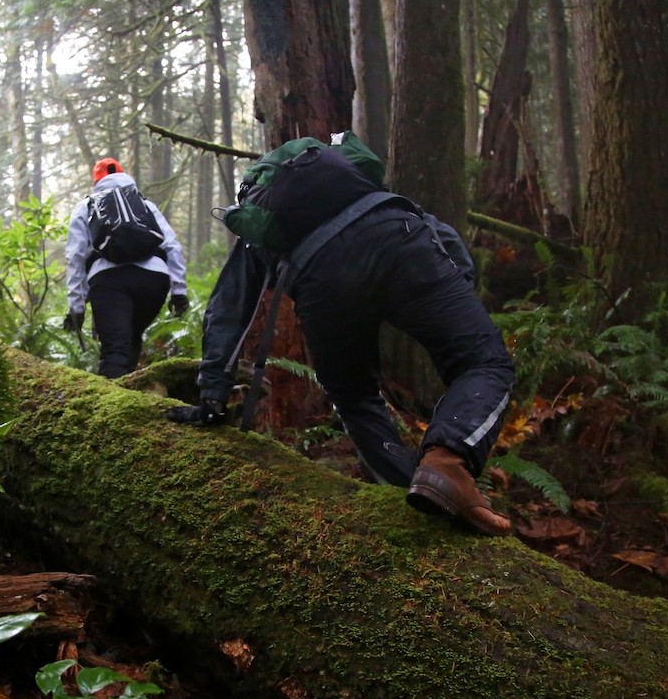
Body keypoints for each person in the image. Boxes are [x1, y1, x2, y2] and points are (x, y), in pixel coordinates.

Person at [166, 142, 515, 537]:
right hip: (400, 241)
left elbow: (228, 308)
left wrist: (212, 396)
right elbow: (443, 237)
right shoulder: (357, 183)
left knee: (353, 396)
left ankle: (410, 497)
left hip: (319, 278)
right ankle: (447, 462)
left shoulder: (261, 221)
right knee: (483, 362)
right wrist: (454, 294)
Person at [64, 158, 189, 378]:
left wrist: (76, 307)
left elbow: (75, 257)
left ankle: (113, 405)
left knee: (115, 347)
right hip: (154, 280)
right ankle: (129, 394)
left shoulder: (86, 205)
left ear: (97, 181)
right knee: (131, 338)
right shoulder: (145, 204)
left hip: (109, 280)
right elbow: (172, 246)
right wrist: (179, 291)